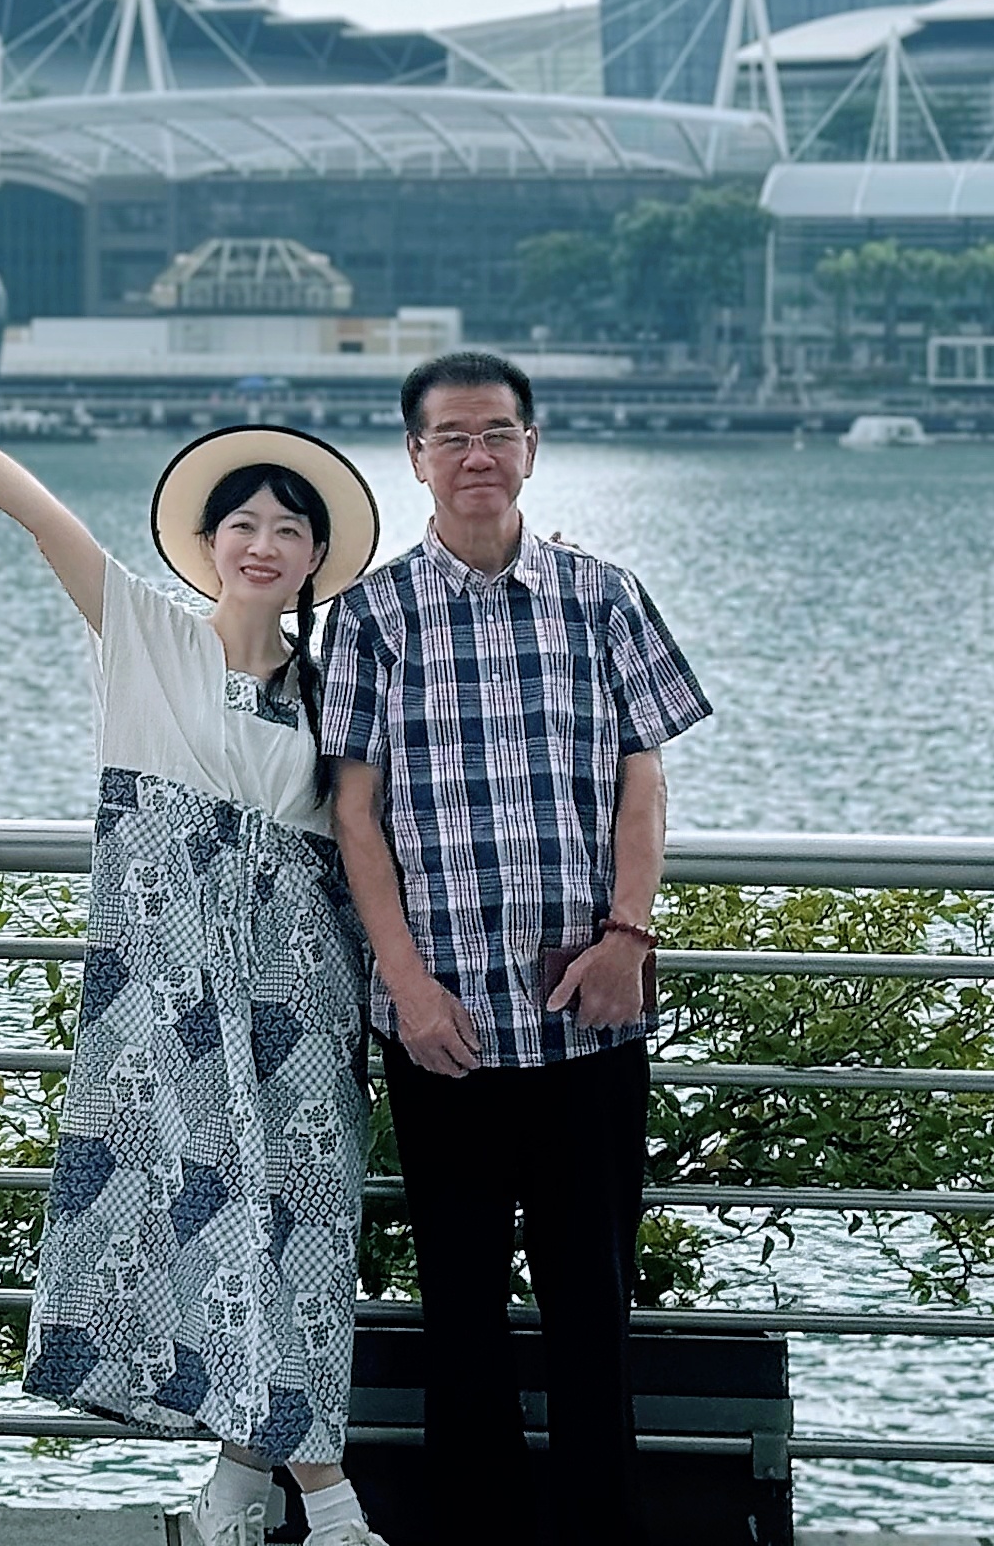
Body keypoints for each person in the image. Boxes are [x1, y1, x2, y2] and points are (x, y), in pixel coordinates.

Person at [0, 338, 391, 1546]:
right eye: (242, 522)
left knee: (303, 1217)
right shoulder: (141, 635)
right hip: (173, 981)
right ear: (209, 542)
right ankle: (331, 1500)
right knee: (217, 1217)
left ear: (316, 559)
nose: (263, 543)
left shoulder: (332, 684)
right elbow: (33, 510)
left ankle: (239, 1489)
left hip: (303, 986)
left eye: (288, 531)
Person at [322, 348, 712, 1543]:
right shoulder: (373, 615)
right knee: (462, 1313)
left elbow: (644, 777)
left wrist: (627, 938)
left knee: (596, 1304)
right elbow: (353, 812)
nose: (476, 456)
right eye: (452, 437)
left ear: (532, 447)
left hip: (588, 1005)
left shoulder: (604, 594)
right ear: (416, 458)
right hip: (445, 1024)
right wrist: (405, 984)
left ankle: (601, 1529)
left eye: (497, 433)